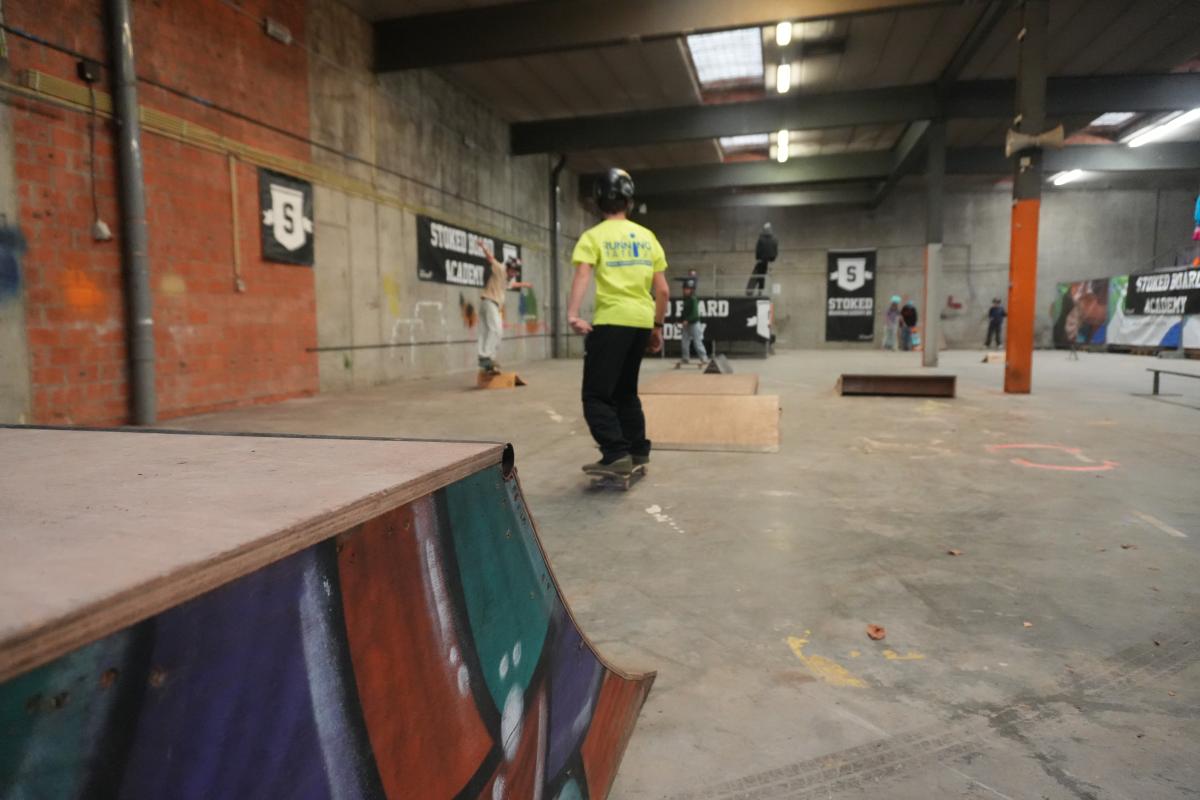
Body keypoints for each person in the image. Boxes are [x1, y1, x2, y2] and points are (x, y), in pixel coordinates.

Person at [566, 167, 669, 477]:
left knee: (596, 394)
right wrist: (657, 326)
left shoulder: (593, 237)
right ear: (629, 201)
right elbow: (662, 290)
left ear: (598, 201)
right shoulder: (647, 236)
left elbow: (583, 274)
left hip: (612, 321)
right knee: (626, 391)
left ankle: (615, 453)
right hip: (640, 321)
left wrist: (572, 314)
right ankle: (638, 449)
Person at [477, 245, 531, 374]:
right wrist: (483, 247)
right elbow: (490, 258)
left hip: (491, 305)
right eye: (514, 271)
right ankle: (485, 357)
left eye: (516, 272)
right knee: (495, 329)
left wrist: (525, 284)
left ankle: (488, 361)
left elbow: (513, 284)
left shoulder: (507, 279)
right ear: (509, 267)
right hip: (490, 302)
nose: (515, 274)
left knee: (495, 331)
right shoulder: (500, 269)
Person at [679, 279, 707, 367]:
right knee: (684, 342)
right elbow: (684, 311)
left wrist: (687, 320)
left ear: (691, 290)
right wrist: (681, 319)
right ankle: (685, 358)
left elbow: (694, 313)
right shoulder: (685, 299)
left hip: (694, 324)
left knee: (697, 342)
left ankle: (704, 358)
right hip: (687, 324)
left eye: (687, 289)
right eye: (684, 288)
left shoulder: (693, 299)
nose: (684, 290)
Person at [746, 222, 777, 296]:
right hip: (769, 260)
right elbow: (775, 250)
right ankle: (760, 291)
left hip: (762, 260)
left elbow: (758, 250)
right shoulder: (774, 239)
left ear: (764, 229)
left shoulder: (761, 238)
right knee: (762, 275)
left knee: (758, 274)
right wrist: (772, 258)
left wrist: (758, 258)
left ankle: (750, 291)